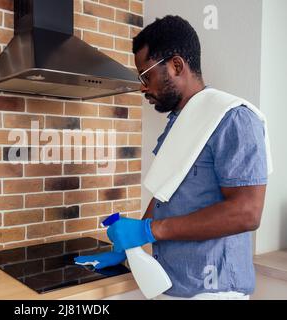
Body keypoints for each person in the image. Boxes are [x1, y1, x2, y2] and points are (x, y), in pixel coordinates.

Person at [75, 15, 271, 300]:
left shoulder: (233, 119)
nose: (143, 87)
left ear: (176, 66)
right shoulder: (179, 123)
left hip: (212, 292)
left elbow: (247, 212)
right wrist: (128, 248)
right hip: (171, 285)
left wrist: (148, 230)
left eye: (146, 75)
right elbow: (166, 191)